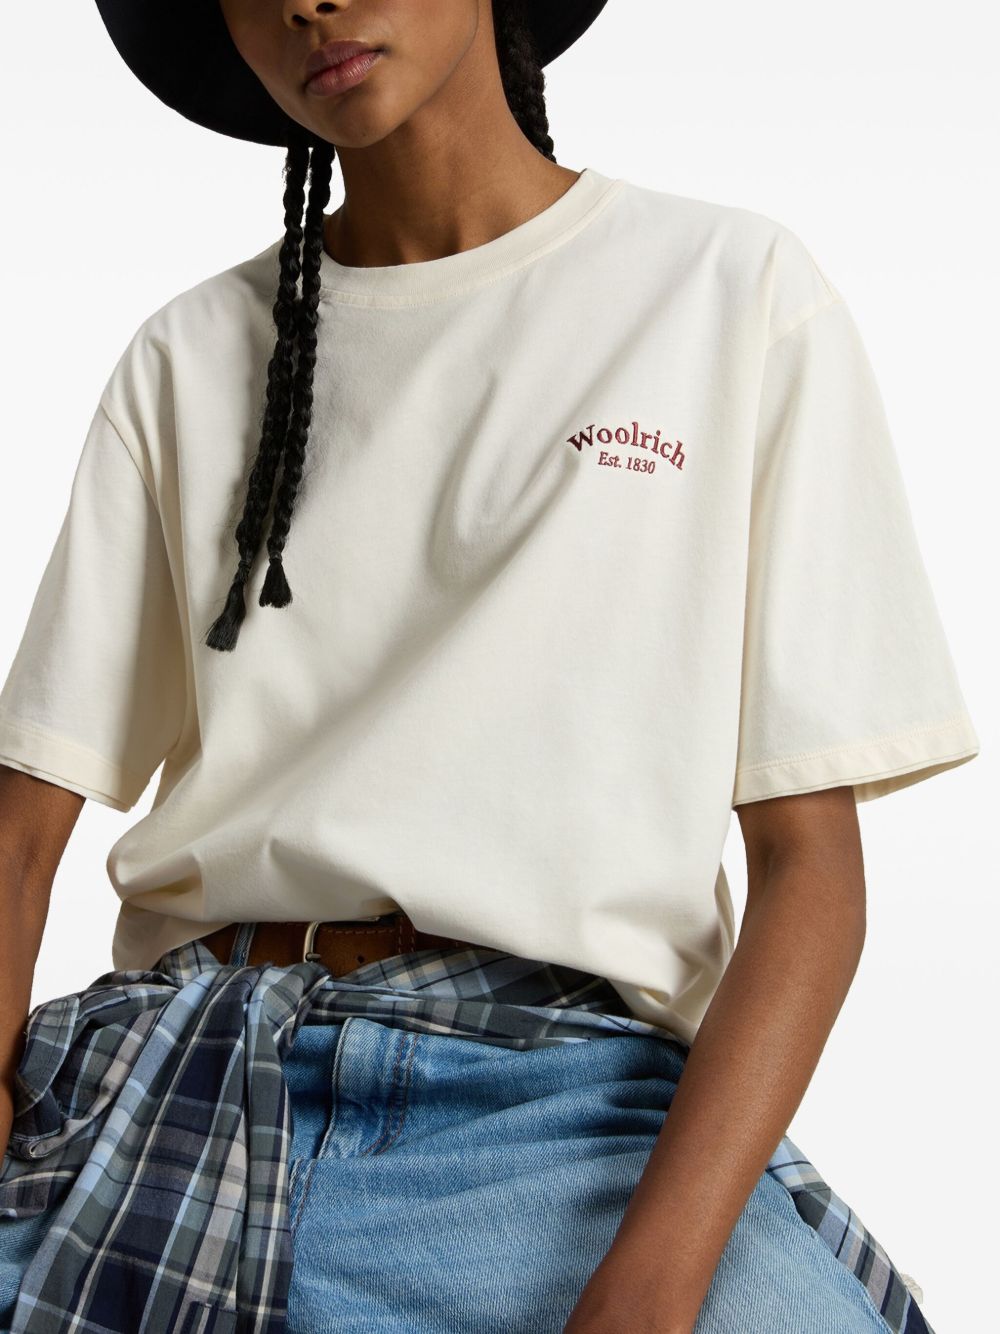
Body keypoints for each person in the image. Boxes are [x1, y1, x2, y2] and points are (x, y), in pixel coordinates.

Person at [0, 0, 979, 1330]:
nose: (306, 2)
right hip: (186, 1062)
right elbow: (21, 837)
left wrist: (656, 1278)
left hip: (561, 1097)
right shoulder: (188, 355)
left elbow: (813, 877)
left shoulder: (727, 292)